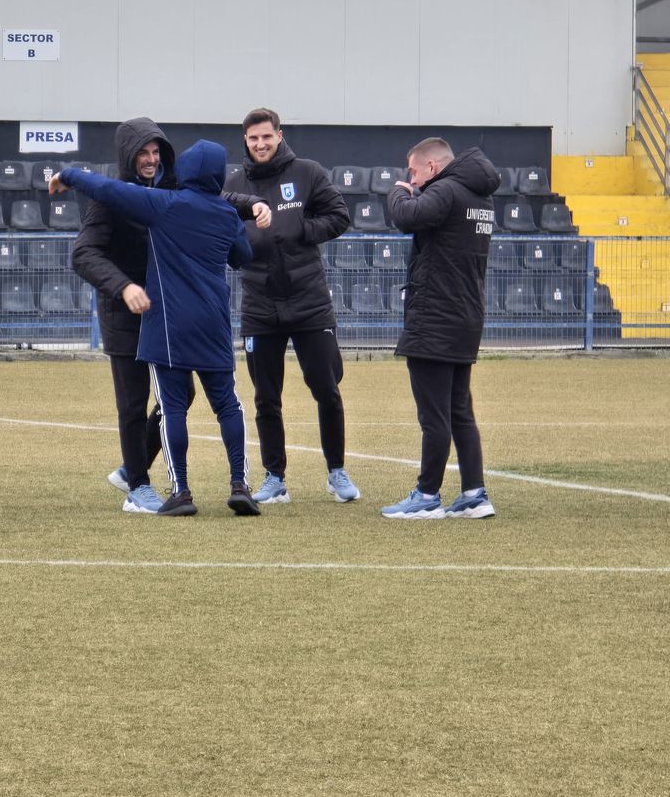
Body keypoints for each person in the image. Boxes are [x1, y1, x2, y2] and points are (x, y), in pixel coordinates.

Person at [72, 117, 271, 515]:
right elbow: (83, 254)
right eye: (142, 153)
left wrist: (253, 205)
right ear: (128, 156)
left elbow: (213, 200)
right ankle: (140, 486)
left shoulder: (171, 190)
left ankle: (135, 469)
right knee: (133, 402)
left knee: (180, 397)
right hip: (126, 309)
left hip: (168, 311)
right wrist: (124, 286)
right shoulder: (109, 199)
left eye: (156, 152)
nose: (150, 159)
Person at [223, 107, 359, 506]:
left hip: (309, 301)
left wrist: (300, 228)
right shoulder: (233, 183)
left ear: (279, 136)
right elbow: (224, 230)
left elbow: (339, 217)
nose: (261, 144)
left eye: (267, 136)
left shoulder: (307, 173)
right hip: (259, 304)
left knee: (326, 388)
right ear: (245, 142)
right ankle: (274, 477)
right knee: (266, 396)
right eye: (253, 139)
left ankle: (336, 472)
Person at [383, 137, 500, 519]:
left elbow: (406, 218)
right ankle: (474, 493)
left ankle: (427, 495)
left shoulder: (446, 190)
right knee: (460, 410)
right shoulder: (480, 198)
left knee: (435, 415)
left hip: (435, 318)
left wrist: (398, 194)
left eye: (414, 172)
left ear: (432, 168)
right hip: (466, 317)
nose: (411, 179)